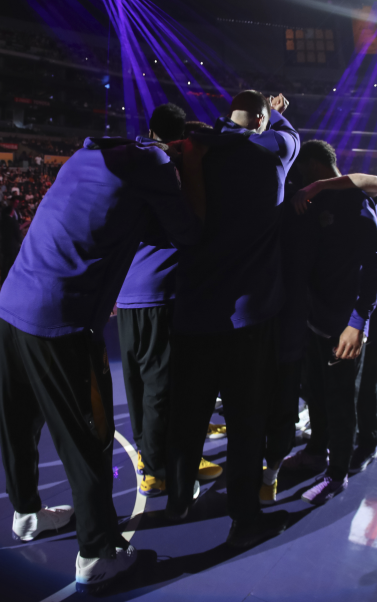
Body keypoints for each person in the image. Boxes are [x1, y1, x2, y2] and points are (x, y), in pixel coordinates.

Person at [0, 117, 201, 593]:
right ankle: (97, 552)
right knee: (89, 437)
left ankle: (26, 513)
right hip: (60, 319)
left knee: (19, 423)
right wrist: (191, 167)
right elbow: (187, 232)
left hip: (9, 308)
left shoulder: (85, 155)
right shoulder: (153, 163)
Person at [166, 90, 298, 549]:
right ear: (261, 119)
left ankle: (179, 497)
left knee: (188, 415)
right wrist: (274, 114)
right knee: (246, 423)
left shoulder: (195, 151)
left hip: (194, 311)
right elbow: (288, 134)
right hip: (249, 318)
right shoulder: (275, 153)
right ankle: (244, 516)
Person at [261, 141, 377, 504]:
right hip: (314, 318)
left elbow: (375, 267)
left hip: (342, 321)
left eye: (302, 169)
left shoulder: (356, 201)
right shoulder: (306, 201)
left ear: (314, 167)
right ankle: (317, 452)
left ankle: (337, 474)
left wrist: (356, 323)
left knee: (341, 398)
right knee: (316, 391)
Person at [116, 105, 222, 498]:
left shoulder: (132, 160)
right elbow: (192, 230)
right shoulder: (172, 171)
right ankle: (160, 472)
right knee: (162, 387)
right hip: (160, 293)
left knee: (139, 385)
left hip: (128, 294)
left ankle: (152, 458)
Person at [0, 201, 21, 284]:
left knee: (5, 263)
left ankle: (3, 280)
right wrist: (20, 241)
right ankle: (12, 281)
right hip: (12, 245)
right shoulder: (12, 221)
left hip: (4, 243)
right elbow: (16, 233)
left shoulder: (2, 221)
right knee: (12, 263)